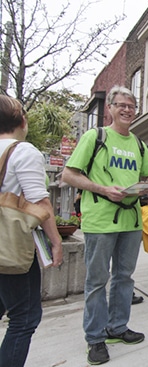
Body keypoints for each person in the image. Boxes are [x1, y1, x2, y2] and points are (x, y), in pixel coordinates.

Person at [62, 86, 148, 365]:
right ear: (110, 109)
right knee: (96, 281)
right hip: (100, 221)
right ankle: (95, 338)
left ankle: (117, 327)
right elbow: (69, 174)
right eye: (121, 105)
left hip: (131, 220)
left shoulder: (139, 144)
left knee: (124, 277)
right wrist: (103, 189)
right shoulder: (95, 137)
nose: (127, 109)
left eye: (131, 106)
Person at [0, 95, 63, 366]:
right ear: (22, 121)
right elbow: (39, 201)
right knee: (24, 317)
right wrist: (55, 240)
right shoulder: (22, 151)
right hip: (11, 248)